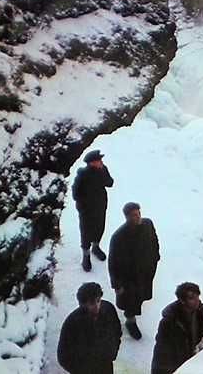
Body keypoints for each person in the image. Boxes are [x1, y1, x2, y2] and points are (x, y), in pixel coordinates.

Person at [108, 202, 160, 340]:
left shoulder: (148, 225)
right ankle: (130, 321)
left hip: (145, 273)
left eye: (138, 214)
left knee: (141, 295)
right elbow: (113, 263)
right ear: (127, 217)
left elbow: (154, 240)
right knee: (130, 300)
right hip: (128, 277)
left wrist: (156, 257)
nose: (137, 217)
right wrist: (117, 284)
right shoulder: (118, 237)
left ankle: (135, 308)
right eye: (133, 216)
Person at [57, 282, 122, 374]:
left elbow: (117, 331)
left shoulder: (108, 309)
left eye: (98, 300)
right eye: (92, 303)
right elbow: (63, 356)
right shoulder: (72, 323)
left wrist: (113, 351)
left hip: (105, 365)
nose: (97, 306)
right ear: (83, 304)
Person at [151, 282, 203, 374]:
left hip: (194, 362)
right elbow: (161, 352)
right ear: (182, 301)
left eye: (197, 296)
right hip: (176, 365)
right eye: (191, 298)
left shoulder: (200, 313)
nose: (197, 300)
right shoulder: (168, 322)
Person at [72, 149, 114, 272]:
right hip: (86, 210)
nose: (101, 162)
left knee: (99, 227)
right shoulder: (83, 175)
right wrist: (83, 205)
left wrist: (103, 172)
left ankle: (96, 247)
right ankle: (86, 255)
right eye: (98, 160)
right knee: (86, 232)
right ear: (91, 162)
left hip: (100, 206)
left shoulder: (103, 169)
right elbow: (76, 193)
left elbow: (110, 183)